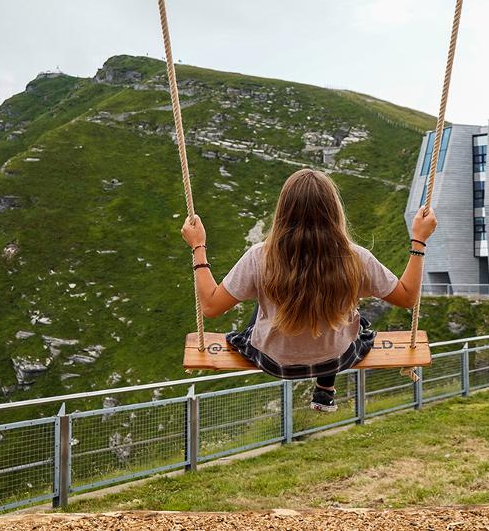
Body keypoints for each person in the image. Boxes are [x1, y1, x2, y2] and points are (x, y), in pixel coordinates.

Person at [181, 168, 437, 412]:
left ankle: (320, 381)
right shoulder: (356, 259)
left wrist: (198, 246)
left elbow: (211, 306)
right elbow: (407, 297)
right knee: (352, 317)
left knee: (263, 305)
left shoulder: (260, 257)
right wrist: (419, 241)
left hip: (276, 362)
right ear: (334, 210)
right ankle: (325, 387)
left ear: (283, 211)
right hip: (336, 358)